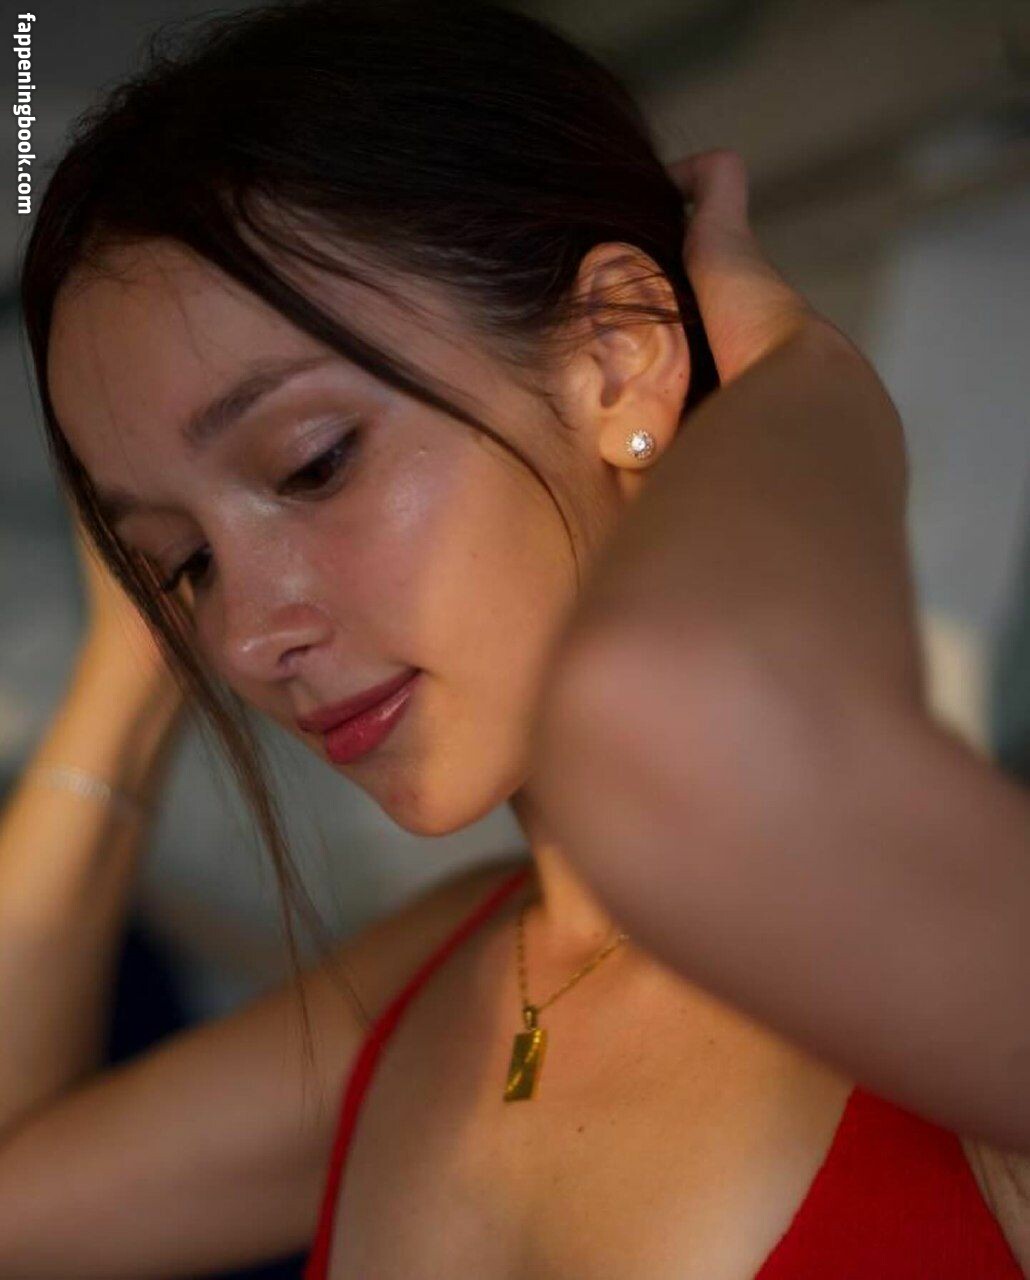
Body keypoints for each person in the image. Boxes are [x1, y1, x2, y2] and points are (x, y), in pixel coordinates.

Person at [3, 0, 1027, 1275]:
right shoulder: (436, 979)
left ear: (615, 357)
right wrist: (127, 661)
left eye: (313, 462)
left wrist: (791, 362)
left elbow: (693, 721)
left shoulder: (956, 935)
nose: (249, 639)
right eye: (186, 562)